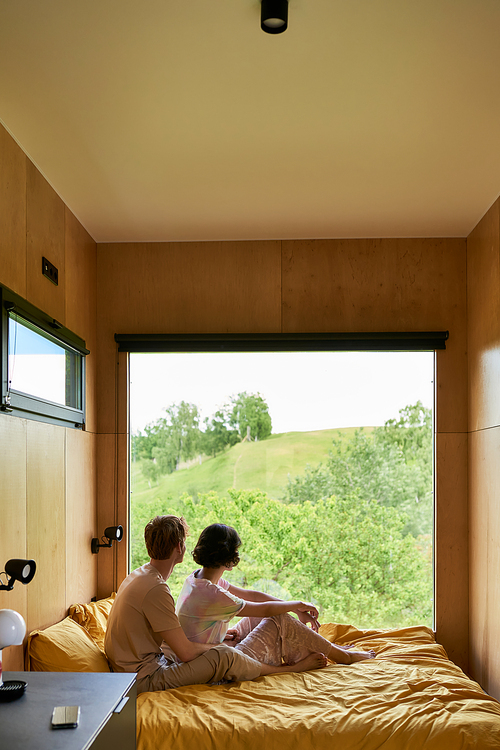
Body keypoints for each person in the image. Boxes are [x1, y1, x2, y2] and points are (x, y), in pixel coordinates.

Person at [104, 515, 328, 694]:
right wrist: (218, 647)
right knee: (224, 656)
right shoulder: (155, 588)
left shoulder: (140, 575)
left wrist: (215, 635)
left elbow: (171, 633)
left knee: (222, 648)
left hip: (133, 669)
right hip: (142, 678)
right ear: (179, 547)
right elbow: (186, 652)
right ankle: (290, 669)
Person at [177, 523, 376, 668]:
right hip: (217, 663)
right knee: (279, 619)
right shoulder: (212, 594)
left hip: (214, 648)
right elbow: (264, 608)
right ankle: (343, 656)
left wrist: (297, 608)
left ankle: (330, 647)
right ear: (229, 557)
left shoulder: (197, 579)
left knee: (264, 615)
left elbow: (252, 596)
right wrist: (297, 603)